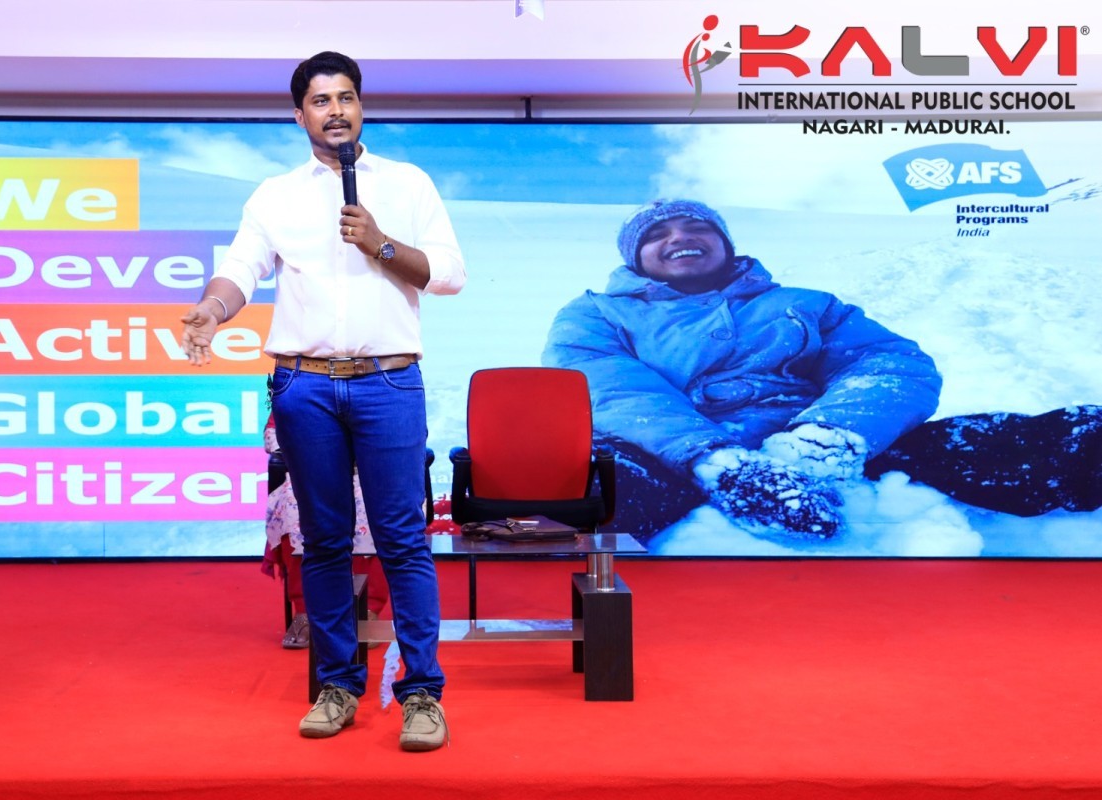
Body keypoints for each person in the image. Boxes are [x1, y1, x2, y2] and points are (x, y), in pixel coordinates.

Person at [180, 51, 465, 751]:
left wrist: (381, 244)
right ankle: (337, 686)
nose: (334, 110)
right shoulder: (275, 195)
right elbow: (241, 268)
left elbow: (449, 276)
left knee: (402, 540)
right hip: (303, 385)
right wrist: (212, 309)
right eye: (320, 100)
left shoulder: (407, 183)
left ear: (361, 107)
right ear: (299, 115)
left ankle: (421, 695)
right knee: (325, 541)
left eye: (345, 98)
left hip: (388, 381)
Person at [542, 199, 1101, 542]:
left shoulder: (807, 304)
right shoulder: (595, 314)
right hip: (664, 456)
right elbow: (609, 389)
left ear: (724, 243)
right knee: (581, 482)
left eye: (696, 227)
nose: (679, 238)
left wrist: (825, 438)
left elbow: (889, 363)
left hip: (820, 448)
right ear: (634, 257)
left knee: (1042, 441)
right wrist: (713, 460)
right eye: (657, 235)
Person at [261, 414, 389, 650]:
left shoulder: (378, 390)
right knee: (294, 513)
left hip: (368, 473)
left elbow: (396, 433)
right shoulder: (297, 390)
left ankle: (368, 610)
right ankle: (304, 611)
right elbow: (273, 436)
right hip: (311, 473)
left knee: (379, 514)